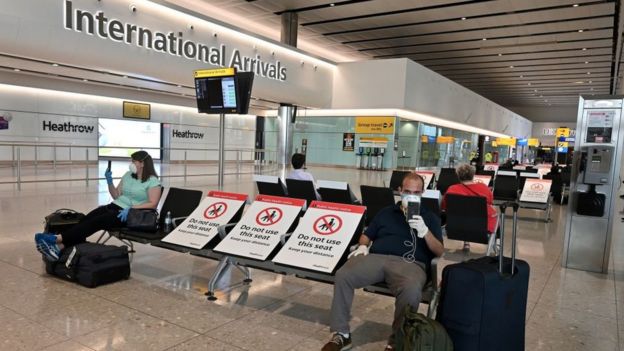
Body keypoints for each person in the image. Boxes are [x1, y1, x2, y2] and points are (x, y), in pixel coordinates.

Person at [322, 173, 444, 351]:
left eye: (416, 193)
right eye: (407, 191)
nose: (411, 196)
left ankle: (397, 342)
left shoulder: (430, 217)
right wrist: (363, 246)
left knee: (411, 290)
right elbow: (366, 235)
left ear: (422, 193)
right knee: (343, 275)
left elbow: (439, 250)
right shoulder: (386, 212)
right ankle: (342, 334)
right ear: (400, 191)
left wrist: (425, 232)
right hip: (376, 257)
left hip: (410, 264)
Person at [35, 150, 162, 261]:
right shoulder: (128, 175)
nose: (131, 164)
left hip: (130, 215)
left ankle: (56, 239)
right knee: (86, 219)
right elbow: (116, 195)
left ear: (143, 164)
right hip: (115, 206)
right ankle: (58, 248)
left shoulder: (152, 181)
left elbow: (153, 204)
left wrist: (131, 208)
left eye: (134, 161)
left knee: (96, 222)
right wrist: (109, 182)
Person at [441, 164, 498, 251]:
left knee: (465, 214)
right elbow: (490, 202)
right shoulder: (483, 188)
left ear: (458, 175)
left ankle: (466, 243)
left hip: (456, 225)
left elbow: (444, 206)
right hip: (482, 226)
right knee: (494, 214)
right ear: (473, 174)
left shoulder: (452, 189)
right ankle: (496, 245)